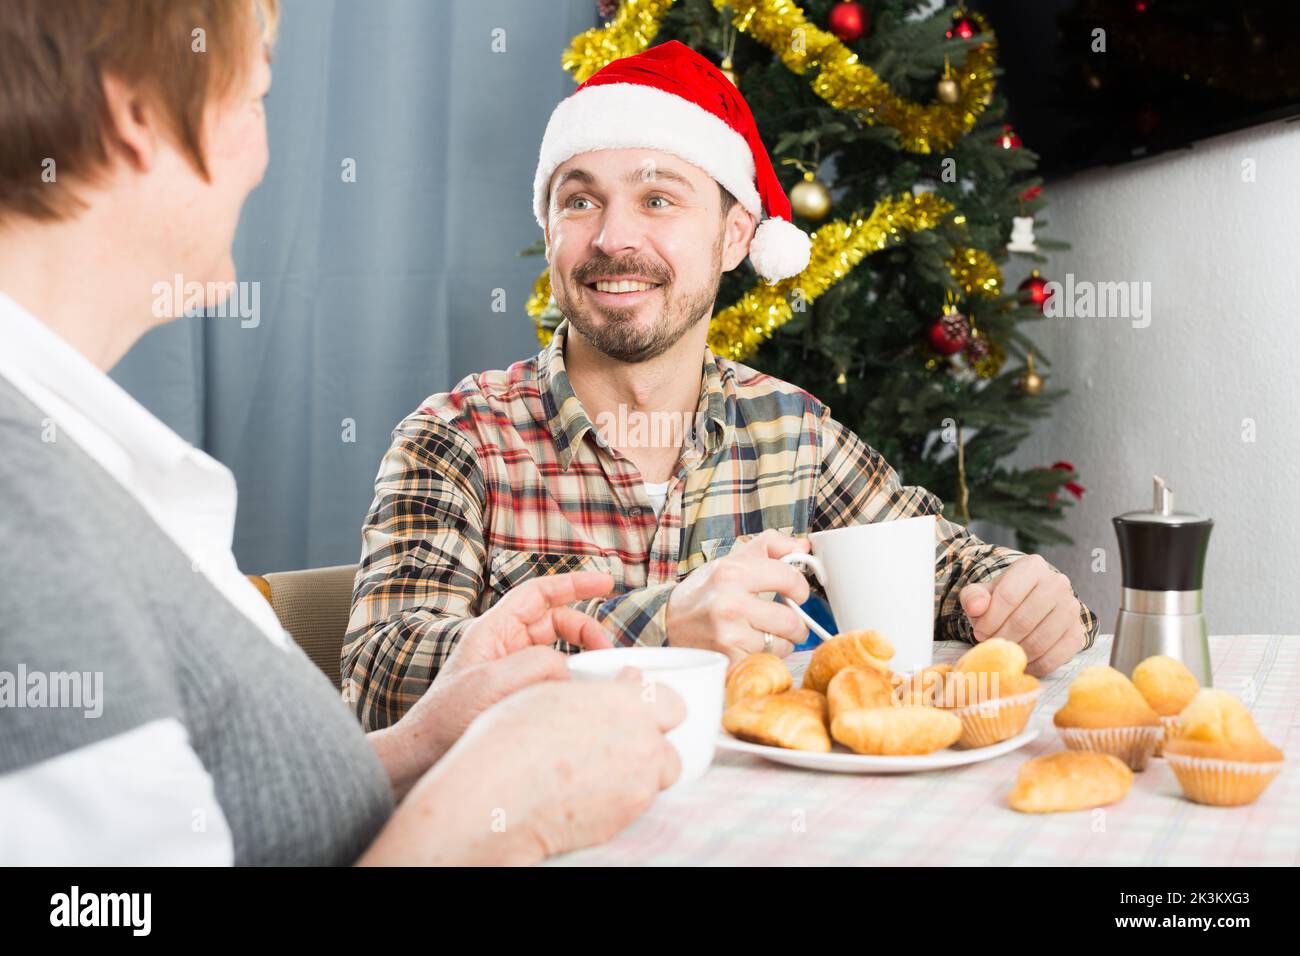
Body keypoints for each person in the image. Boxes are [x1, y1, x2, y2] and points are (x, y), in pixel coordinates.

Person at [0, 0, 681, 866]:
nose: (263, 158)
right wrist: (488, 815)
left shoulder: (73, 454)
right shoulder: (23, 516)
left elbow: (217, 815)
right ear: (137, 114)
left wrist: (426, 745)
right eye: (254, 101)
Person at [343, 41, 1099, 731]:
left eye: (658, 199)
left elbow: (946, 565)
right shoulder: (456, 439)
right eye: (579, 200)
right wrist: (663, 624)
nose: (612, 239)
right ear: (549, 229)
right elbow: (380, 679)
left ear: (737, 235)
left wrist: (1027, 602)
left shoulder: (794, 432)